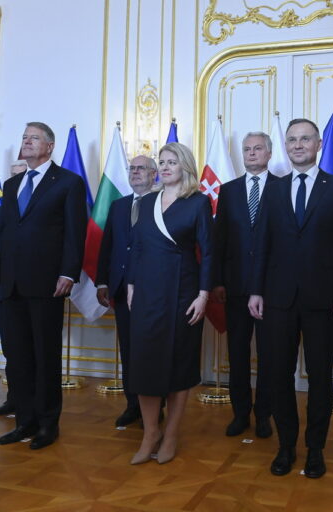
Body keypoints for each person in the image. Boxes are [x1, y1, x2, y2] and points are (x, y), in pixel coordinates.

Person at [248, 118, 333, 479]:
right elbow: (261, 245)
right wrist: (256, 290)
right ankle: (286, 446)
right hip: (277, 298)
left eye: (305, 139)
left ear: (318, 144)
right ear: (286, 145)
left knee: (320, 377)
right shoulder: (273, 190)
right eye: (292, 140)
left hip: (323, 299)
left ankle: (315, 449)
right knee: (278, 374)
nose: (298, 145)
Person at [0, 122, 87, 450]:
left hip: (46, 284)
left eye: (33, 138)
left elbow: (75, 232)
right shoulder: (12, 184)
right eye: (24, 137)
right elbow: (1, 233)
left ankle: (47, 424)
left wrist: (68, 273)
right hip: (9, 285)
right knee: (17, 359)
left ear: (50, 146)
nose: (26, 142)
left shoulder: (68, 182)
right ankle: (24, 421)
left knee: (45, 357)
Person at [127, 142, 213, 464]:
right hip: (146, 294)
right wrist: (131, 285)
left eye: (171, 162)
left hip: (183, 294)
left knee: (179, 365)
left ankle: (172, 433)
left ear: (185, 166)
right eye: (161, 162)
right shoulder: (147, 201)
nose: (164, 167)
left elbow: (209, 252)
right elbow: (136, 247)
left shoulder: (198, 202)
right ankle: (151, 433)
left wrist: (203, 295)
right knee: (144, 364)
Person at [212, 132, 275, 439]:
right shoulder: (229, 190)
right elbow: (220, 239)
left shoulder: (282, 187)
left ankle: (264, 415)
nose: (251, 153)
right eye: (247, 149)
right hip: (235, 286)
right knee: (237, 354)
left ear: (269, 153)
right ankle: (240, 414)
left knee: (269, 356)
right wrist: (217, 281)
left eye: (257, 148)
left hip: (272, 288)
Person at [96, 154, 158, 427]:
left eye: (141, 168)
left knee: (150, 351)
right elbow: (107, 245)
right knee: (129, 350)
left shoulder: (163, 203)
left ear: (154, 174)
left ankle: (154, 408)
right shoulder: (119, 205)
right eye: (132, 168)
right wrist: (102, 282)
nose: (135, 172)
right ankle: (133, 405)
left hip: (152, 289)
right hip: (121, 289)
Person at [0, 159, 29, 418]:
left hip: (33, 287)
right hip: (6, 287)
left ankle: (30, 402)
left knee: (31, 350)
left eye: (21, 175)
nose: (16, 180)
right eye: (13, 175)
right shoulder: (3, 209)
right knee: (11, 348)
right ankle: (14, 398)